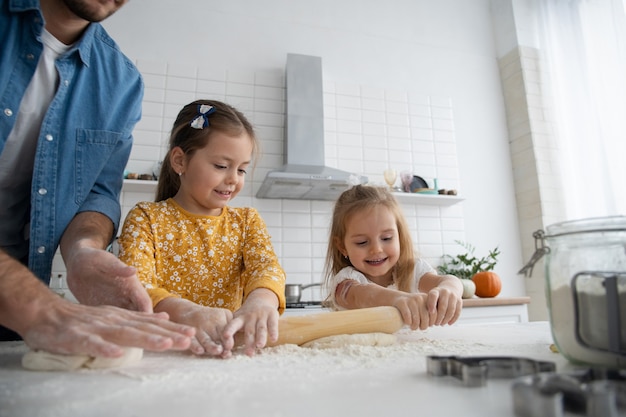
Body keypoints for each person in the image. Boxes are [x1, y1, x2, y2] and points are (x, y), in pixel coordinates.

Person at [0, 0, 196, 357]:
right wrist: (34, 304)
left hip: (17, 314)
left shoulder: (122, 82)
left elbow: (97, 191)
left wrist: (83, 250)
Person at [117, 100, 286, 358]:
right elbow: (135, 285)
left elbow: (266, 267)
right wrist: (187, 312)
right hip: (163, 354)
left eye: (241, 169)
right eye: (221, 166)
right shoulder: (147, 218)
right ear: (180, 161)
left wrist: (261, 302)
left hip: (228, 354)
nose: (233, 179)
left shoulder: (246, 221)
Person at [323, 185, 463, 330]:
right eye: (362, 242)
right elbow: (362, 296)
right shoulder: (345, 282)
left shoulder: (413, 270)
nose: (376, 249)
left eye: (386, 238)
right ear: (342, 246)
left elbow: (449, 281)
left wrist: (449, 290)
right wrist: (397, 299)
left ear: (399, 237)